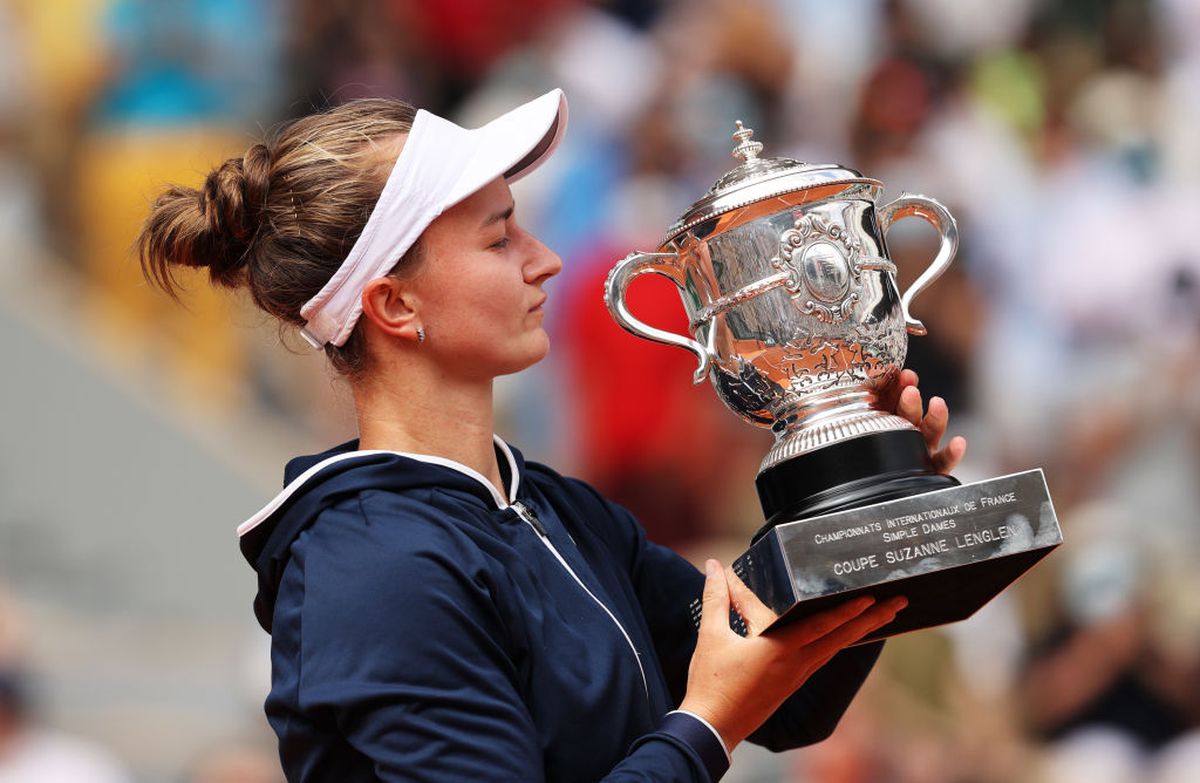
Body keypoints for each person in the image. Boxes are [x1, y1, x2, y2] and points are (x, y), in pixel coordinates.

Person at [138, 88, 965, 782]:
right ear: (395, 304)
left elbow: (786, 690)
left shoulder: (552, 505)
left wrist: (862, 486)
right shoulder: (373, 572)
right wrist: (705, 727)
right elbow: (724, 705)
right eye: (499, 237)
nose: (546, 260)